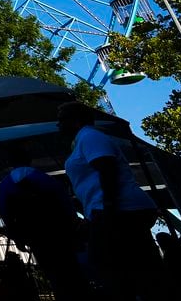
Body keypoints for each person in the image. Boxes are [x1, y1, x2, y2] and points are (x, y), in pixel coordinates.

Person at [57, 101, 165, 300]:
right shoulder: (85, 139)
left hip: (120, 210)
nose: (59, 125)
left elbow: (107, 167)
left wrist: (108, 207)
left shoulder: (90, 137)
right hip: (115, 210)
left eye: (62, 120)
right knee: (133, 267)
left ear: (76, 120)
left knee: (109, 266)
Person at [0, 145, 89, 300]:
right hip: (59, 232)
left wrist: (17, 237)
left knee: (53, 274)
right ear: (30, 160)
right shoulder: (44, 178)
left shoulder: (6, 185)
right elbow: (65, 203)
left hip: (34, 236)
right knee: (71, 271)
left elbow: (5, 213)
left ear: (9, 162)